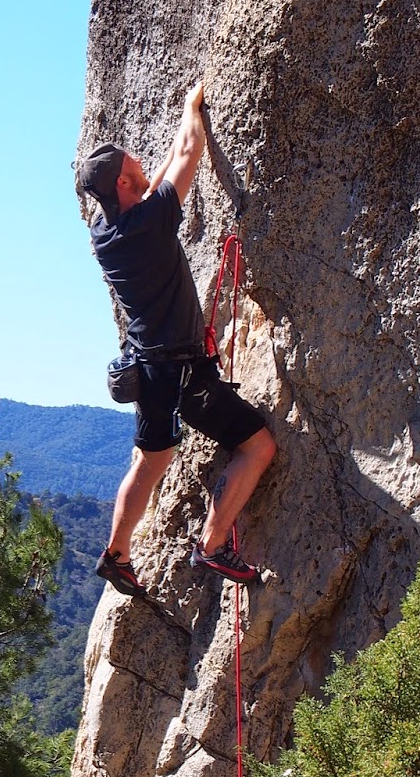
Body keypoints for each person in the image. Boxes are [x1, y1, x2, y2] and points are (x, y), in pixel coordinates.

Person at [78, 80, 276, 598]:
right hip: (183, 371)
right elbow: (188, 153)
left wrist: (159, 164)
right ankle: (212, 546)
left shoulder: (108, 232)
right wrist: (193, 105)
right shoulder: (148, 221)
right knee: (257, 447)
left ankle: (116, 553)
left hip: (149, 369)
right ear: (123, 182)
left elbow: (158, 181)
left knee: (151, 460)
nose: (143, 163)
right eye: (133, 165)